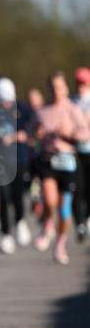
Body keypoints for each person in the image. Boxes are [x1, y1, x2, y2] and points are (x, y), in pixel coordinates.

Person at [33, 71, 90, 264]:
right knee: (50, 202)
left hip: (68, 161)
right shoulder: (42, 110)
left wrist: (70, 133)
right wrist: (37, 134)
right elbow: (31, 133)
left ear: (65, 88)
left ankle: (60, 242)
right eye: (53, 87)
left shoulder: (73, 109)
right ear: (49, 89)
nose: (57, 91)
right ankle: (47, 225)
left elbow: (85, 134)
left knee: (64, 209)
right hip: (49, 161)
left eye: (60, 87)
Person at [0, 78, 36, 255]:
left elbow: (32, 126)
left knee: (18, 195)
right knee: (2, 197)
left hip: (19, 160)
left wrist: (20, 135)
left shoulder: (23, 108)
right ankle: (6, 235)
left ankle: (20, 221)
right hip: (0, 162)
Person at [71, 67, 90, 242]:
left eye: (83, 83)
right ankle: (80, 223)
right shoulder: (72, 102)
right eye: (78, 83)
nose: (80, 86)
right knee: (77, 189)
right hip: (75, 152)